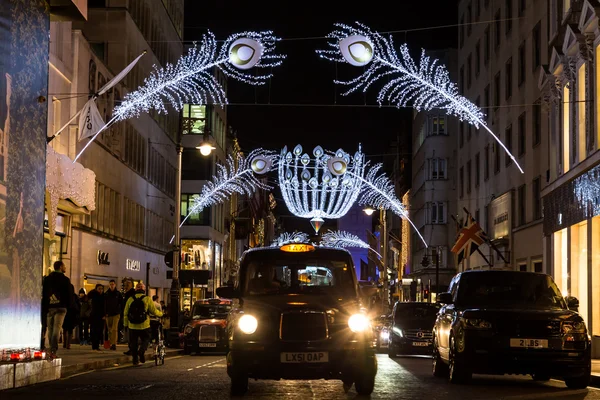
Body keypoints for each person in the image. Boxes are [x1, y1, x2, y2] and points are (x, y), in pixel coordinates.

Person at [123, 282, 162, 365]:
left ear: (136, 289)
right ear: (143, 290)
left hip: (132, 325)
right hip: (144, 325)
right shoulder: (147, 299)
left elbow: (125, 313)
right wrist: (161, 314)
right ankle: (141, 351)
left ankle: (135, 360)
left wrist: (125, 324)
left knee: (133, 343)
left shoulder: (130, 299)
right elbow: (153, 311)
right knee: (146, 339)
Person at [41, 261, 72, 359]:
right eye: (64, 266)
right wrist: (68, 306)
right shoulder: (65, 280)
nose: (65, 267)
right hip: (61, 307)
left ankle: (51, 348)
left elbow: (44, 293)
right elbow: (69, 294)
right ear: (60, 267)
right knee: (57, 329)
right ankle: (53, 349)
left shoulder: (48, 279)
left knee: (50, 329)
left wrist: (45, 306)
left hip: (50, 306)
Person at [104, 279, 123, 350]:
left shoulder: (118, 294)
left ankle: (114, 343)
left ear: (115, 285)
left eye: (113, 284)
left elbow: (121, 303)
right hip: (108, 314)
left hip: (116, 313)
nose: (112, 286)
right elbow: (104, 304)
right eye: (110, 284)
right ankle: (111, 343)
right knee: (109, 330)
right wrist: (105, 313)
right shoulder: (106, 294)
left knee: (114, 329)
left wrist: (120, 311)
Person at [88, 283, 105, 351]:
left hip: (101, 316)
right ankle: (94, 345)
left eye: (101, 289)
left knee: (99, 331)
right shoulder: (94, 295)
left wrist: (104, 314)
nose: (100, 290)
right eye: (99, 289)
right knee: (94, 331)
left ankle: (97, 345)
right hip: (94, 316)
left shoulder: (103, 296)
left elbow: (104, 306)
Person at [62, 284, 80, 350]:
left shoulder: (64, 295)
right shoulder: (74, 296)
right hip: (72, 314)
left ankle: (65, 343)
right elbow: (78, 306)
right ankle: (68, 344)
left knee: (65, 329)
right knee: (69, 330)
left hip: (66, 314)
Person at [122, 279, 136, 355]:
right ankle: (132, 349)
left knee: (131, 334)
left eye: (128, 284)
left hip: (130, 316)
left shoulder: (131, 294)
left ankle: (132, 349)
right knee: (130, 334)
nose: (126, 286)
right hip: (128, 316)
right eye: (125, 284)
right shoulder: (127, 293)